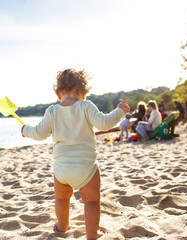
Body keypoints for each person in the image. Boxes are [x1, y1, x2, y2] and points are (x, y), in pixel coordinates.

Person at [21, 68, 130, 240]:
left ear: (58, 94)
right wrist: (120, 111)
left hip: (62, 169)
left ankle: (62, 226)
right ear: (85, 92)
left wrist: (26, 130)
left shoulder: (52, 111)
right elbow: (104, 123)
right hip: (86, 168)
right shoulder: (86, 106)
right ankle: (92, 235)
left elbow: (39, 133)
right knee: (92, 201)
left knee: (61, 199)